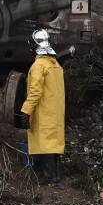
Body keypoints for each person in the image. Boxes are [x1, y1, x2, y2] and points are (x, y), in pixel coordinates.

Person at [19, 29, 65, 183]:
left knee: (45, 143)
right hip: (56, 112)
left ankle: (48, 176)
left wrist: (25, 111)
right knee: (55, 143)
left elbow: (35, 92)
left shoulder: (38, 66)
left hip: (44, 111)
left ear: (33, 46)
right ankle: (57, 175)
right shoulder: (56, 65)